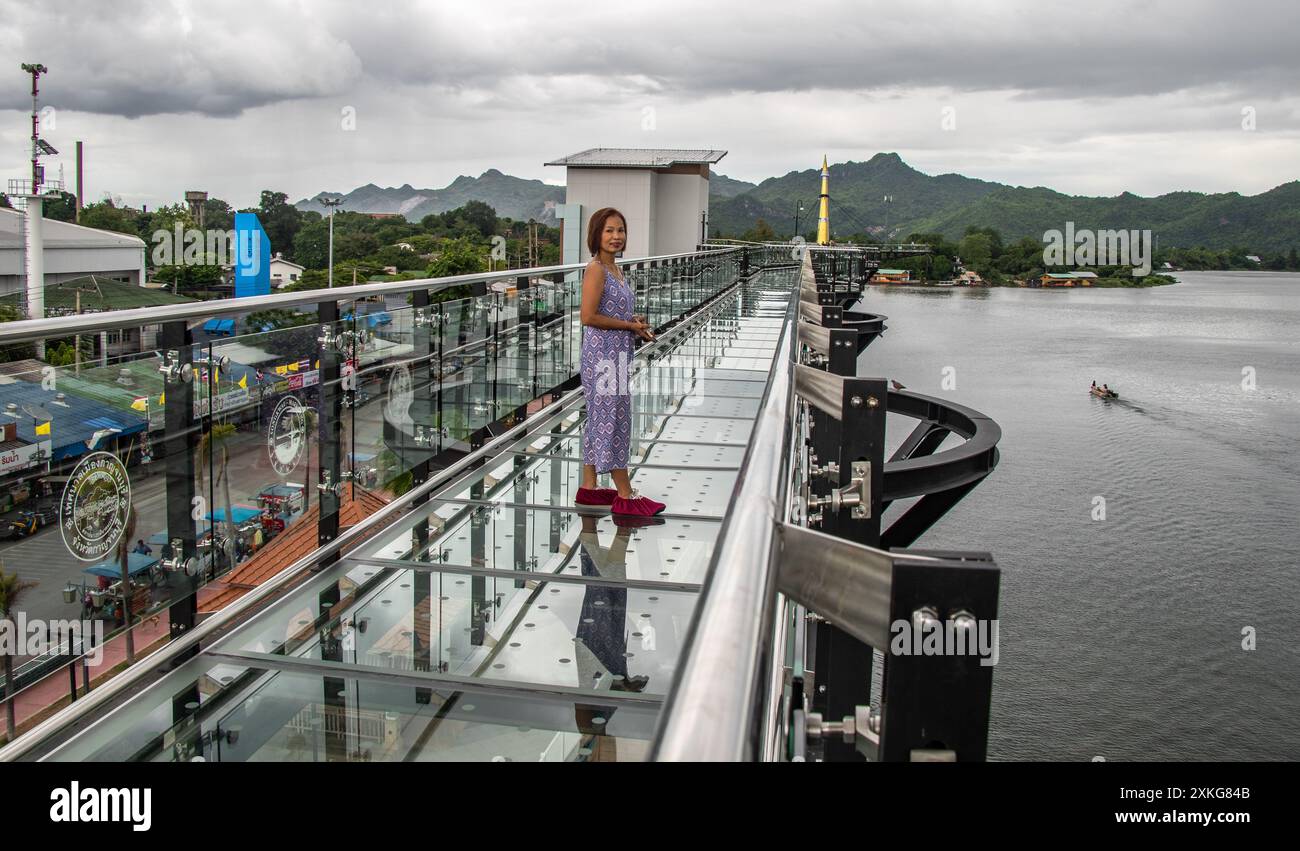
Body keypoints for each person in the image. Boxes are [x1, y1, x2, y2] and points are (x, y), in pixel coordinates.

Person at [573, 208, 665, 518]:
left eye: (620, 230)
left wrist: (632, 321)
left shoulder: (617, 270)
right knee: (612, 418)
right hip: (602, 356)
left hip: (617, 353)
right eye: (609, 231)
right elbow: (588, 317)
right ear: (596, 235)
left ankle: (589, 487)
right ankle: (625, 495)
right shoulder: (596, 269)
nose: (616, 237)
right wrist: (628, 326)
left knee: (603, 415)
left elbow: (608, 312)